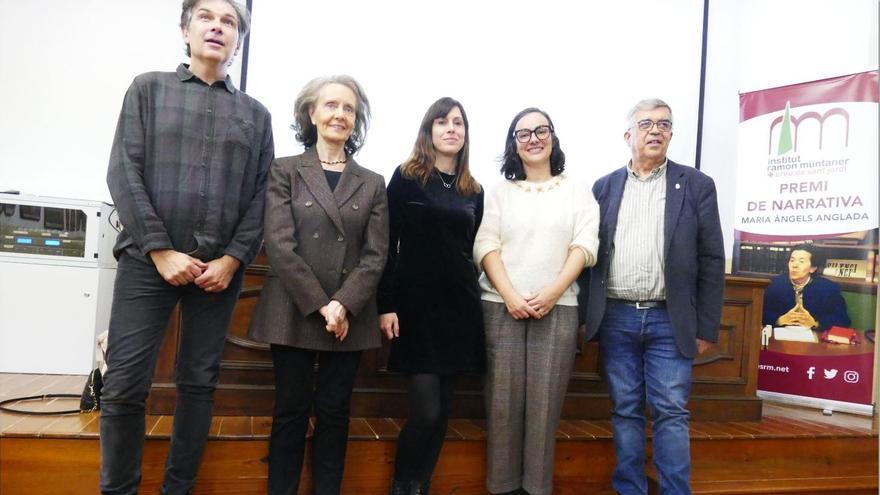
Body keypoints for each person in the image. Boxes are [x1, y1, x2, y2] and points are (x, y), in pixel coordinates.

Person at [101, 1, 273, 494]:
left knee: (198, 387)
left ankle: (177, 489)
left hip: (218, 273)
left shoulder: (255, 116)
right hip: (145, 263)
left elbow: (262, 194)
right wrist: (159, 250)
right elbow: (124, 171)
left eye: (230, 23)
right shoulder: (148, 89)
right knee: (125, 386)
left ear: (238, 42)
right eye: (207, 17)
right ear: (185, 30)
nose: (218, 27)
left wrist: (232, 258)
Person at [247, 75, 389, 495]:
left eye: (348, 109)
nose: (339, 115)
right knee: (290, 412)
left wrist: (343, 304)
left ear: (355, 120)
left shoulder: (374, 182)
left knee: (334, 413)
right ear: (311, 113)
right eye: (330, 105)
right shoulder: (285, 170)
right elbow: (279, 244)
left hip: (350, 314)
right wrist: (323, 305)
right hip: (293, 309)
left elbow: (375, 255)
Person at [579, 98, 725, 495]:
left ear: (672, 134)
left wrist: (707, 325)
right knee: (624, 410)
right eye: (646, 124)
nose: (656, 130)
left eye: (664, 124)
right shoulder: (604, 187)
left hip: (669, 318)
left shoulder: (696, 185)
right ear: (629, 136)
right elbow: (588, 254)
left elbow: (712, 258)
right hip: (616, 317)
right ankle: (631, 489)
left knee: (671, 412)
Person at [473, 108, 599, 495]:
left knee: (544, 411)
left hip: (557, 309)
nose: (533, 138)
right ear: (514, 144)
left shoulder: (577, 191)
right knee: (502, 408)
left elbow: (585, 245)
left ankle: (537, 489)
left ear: (553, 138)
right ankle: (502, 488)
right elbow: (485, 244)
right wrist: (510, 295)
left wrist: (553, 291)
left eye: (540, 130)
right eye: (522, 133)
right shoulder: (500, 192)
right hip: (501, 307)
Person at [378, 97, 485, 495]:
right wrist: (385, 304)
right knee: (426, 411)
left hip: (459, 310)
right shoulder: (406, 177)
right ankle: (401, 485)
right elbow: (386, 243)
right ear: (429, 130)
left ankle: (420, 485)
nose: (451, 129)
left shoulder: (473, 189)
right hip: (415, 308)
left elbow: (472, 250)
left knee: (443, 416)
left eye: (458, 123)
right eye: (442, 122)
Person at [762, 244, 851, 330]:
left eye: (801, 261)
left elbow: (843, 320)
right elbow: (759, 313)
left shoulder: (828, 289)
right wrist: (779, 320)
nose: (794, 265)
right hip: (780, 336)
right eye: (792, 260)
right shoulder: (775, 285)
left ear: (813, 268)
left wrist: (815, 323)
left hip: (813, 339)